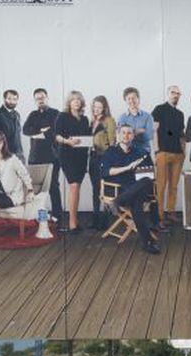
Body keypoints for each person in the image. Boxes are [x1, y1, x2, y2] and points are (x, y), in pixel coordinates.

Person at [101, 124, 161, 254]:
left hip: (137, 188)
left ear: (133, 136)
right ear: (118, 135)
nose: (126, 135)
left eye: (129, 133)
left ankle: (117, 202)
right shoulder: (110, 152)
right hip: (119, 189)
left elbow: (150, 175)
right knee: (136, 204)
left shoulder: (141, 152)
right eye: (123, 133)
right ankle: (147, 242)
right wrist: (128, 168)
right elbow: (105, 172)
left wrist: (143, 170)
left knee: (146, 180)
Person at [23, 88, 62, 223]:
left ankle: (57, 215)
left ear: (47, 98)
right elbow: (25, 130)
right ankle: (36, 216)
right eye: (37, 98)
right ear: (35, 100)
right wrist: (41, 130)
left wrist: (39, 133)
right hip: (35, 156)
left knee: (53, 186)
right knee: (35, 188)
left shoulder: (56, 113)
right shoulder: (33, 114)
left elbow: (56, 131)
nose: (40, 100)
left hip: (52, 156)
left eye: (42, 97)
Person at [55, 91, 90, 233]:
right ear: (69, 102)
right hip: (67, 155)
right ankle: (72, 223)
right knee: (74, 186)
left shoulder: (85, 119)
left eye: (78, 100)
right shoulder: (62, 116)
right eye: (73, 100)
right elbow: (57, 136)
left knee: (77, 188)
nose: (76, 102)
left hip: (81, 156)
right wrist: (67, 141)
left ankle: (74, 220)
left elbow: (87, 137)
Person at [152, 86, 185, 225]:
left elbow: (181, 135)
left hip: (178, 154)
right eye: (173, 93)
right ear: (167, 94)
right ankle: (159, 215)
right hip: (163, 152)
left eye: (178, 94)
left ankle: (171, 212)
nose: (175, 95)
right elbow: (154, 130)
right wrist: (156, 150)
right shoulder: (159, 109)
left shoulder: (180, 114)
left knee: (174, 185)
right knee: (161, 186)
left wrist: (184, 153)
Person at [89, 96, 116, 229]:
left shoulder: (109, 121)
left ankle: (105, 221)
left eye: (99, 107)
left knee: (105, 189)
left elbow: (112, 142)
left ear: (104, 108)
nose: (96, 109)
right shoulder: (91, 121)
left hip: (104, 157)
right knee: (95, 189)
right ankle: (95, 219)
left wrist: (108, 160)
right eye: (95, 106)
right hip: (93, 157)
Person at [0, 90, 25, 162]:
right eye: (9, 99)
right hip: (5, 153)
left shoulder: (16, 114)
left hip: (18, 152)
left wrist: (20, 152)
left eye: (14, 99)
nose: (12, 101)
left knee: (22, 173)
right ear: (4, 99)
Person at [117, 87, 154, 156]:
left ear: (138, 99)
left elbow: (149, 136)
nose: (132, 101)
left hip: (144, 151)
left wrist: (130, 133)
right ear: (125, 100)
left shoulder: (148, 117)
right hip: (126, 153)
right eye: (129, 99)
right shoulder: (122, 118)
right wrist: (141, 131)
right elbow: (121, 137)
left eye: (134, 98)